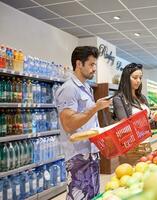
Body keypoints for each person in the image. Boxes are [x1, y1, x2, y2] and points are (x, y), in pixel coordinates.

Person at [55, 46, 111, 200]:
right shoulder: (68, 89)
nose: (94, 69)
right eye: (91, 65)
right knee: (78, 195)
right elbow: (68, 124)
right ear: (79, 64)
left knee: (92, 194)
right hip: (78, 156)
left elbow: (87, 122)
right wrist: (96, 107)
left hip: (91, 152)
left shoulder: (86, 87)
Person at [113, 63, 157, 128]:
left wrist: (156, 117)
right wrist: (152, 119)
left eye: (140, 78)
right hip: (133, 138)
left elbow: (151, 125)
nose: (138, 81)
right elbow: (126, 126)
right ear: (126, 78)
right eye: (135, 77)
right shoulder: (119, 99)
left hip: (146, 137)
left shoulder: (142, 98)